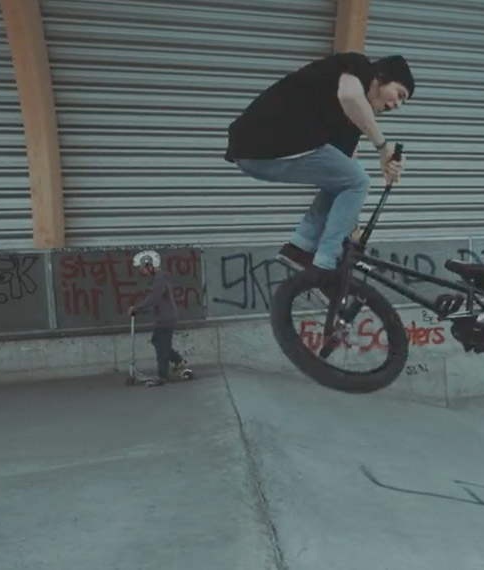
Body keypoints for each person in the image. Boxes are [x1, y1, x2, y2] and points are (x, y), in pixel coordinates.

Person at [223, 51, 414, 282]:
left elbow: (343, 181)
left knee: (343, 181)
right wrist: (384, 148)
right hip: (263, 140)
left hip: (256, 153)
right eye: (399, 94)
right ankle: (326, 265)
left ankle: (299, 248)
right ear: (381, 76)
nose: (397, 105)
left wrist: (351, 227)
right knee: (358, 180)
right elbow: (350, 96)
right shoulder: (357, 66)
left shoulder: (351, 123)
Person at [128, 250, 188, 386]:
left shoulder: (160, 279)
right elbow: (153, 300)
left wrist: (137, 309)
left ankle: (163, 375)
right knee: (158, 342)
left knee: (162, 347)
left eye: (142, 268)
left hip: (166, 318)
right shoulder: (159, 278)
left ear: (149, 264)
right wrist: (140, 309)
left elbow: (154, 299)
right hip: (164, 316)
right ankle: (178, 361)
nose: (142, 272)